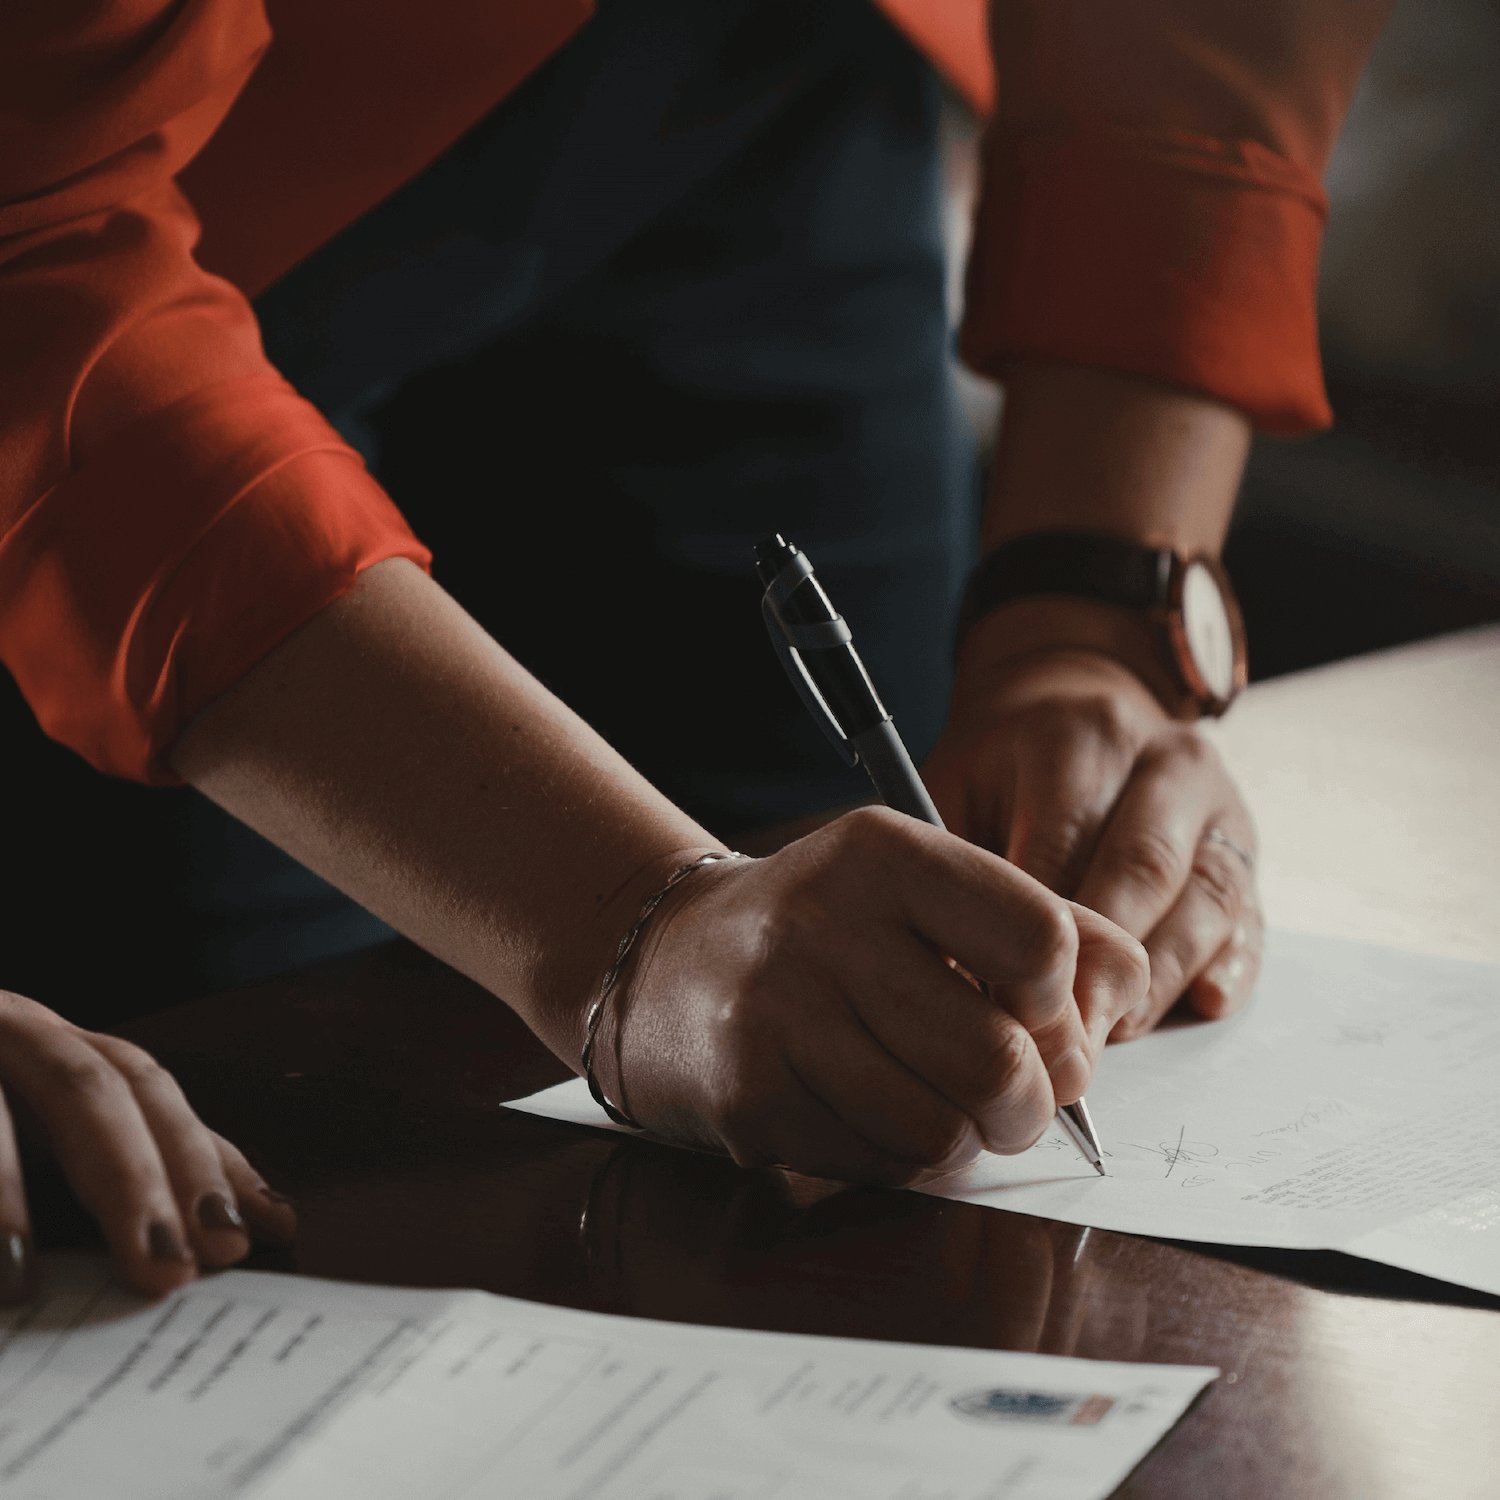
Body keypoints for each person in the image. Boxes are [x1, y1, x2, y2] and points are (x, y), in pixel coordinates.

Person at [0, 0, 1391, 1298]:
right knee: (292, 1143)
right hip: (129, 195)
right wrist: (622, 927)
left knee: (864, 1060)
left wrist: (1086, 615)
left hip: (787, 76)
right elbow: (32, 251)